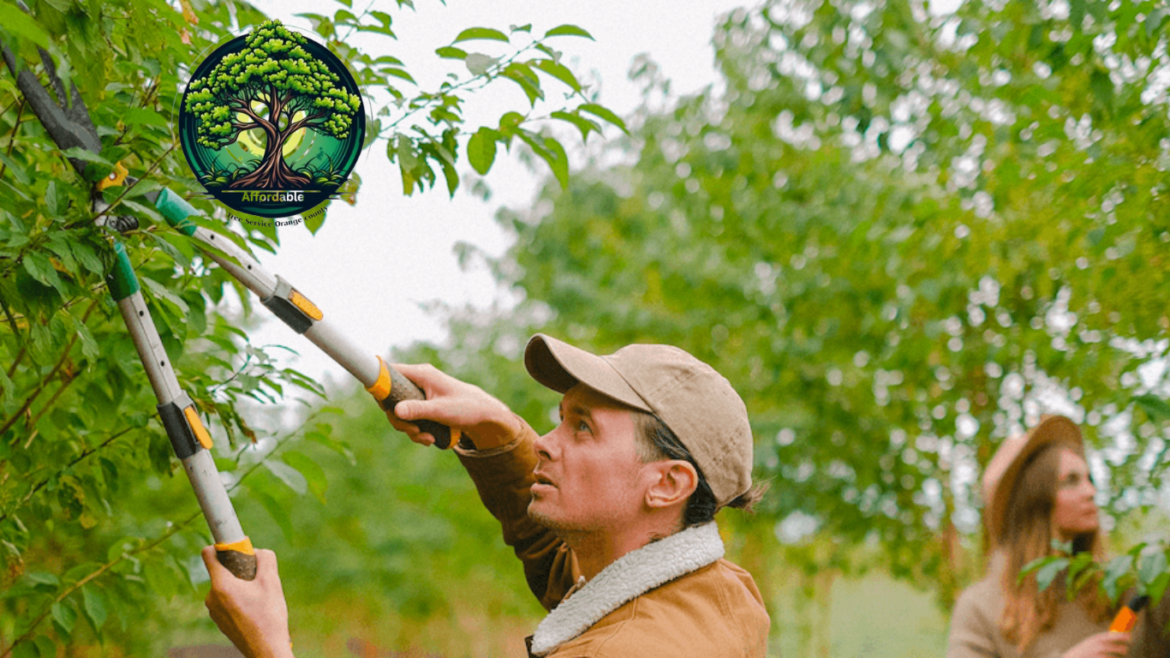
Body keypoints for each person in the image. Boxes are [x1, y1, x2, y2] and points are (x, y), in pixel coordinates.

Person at [202, 334, 771, 657]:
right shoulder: (716, 594)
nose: (548, 444)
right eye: (557, 420)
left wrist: (270, 647)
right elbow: (577, 579)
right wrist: (499, 432)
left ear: (667, 483)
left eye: (583, 428)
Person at [947, 415, 1170, 658]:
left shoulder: (1122, 588)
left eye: (1090, 480)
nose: (1091, 492)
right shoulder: (980, 608)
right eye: (1071, 481)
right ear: (1033, 501)